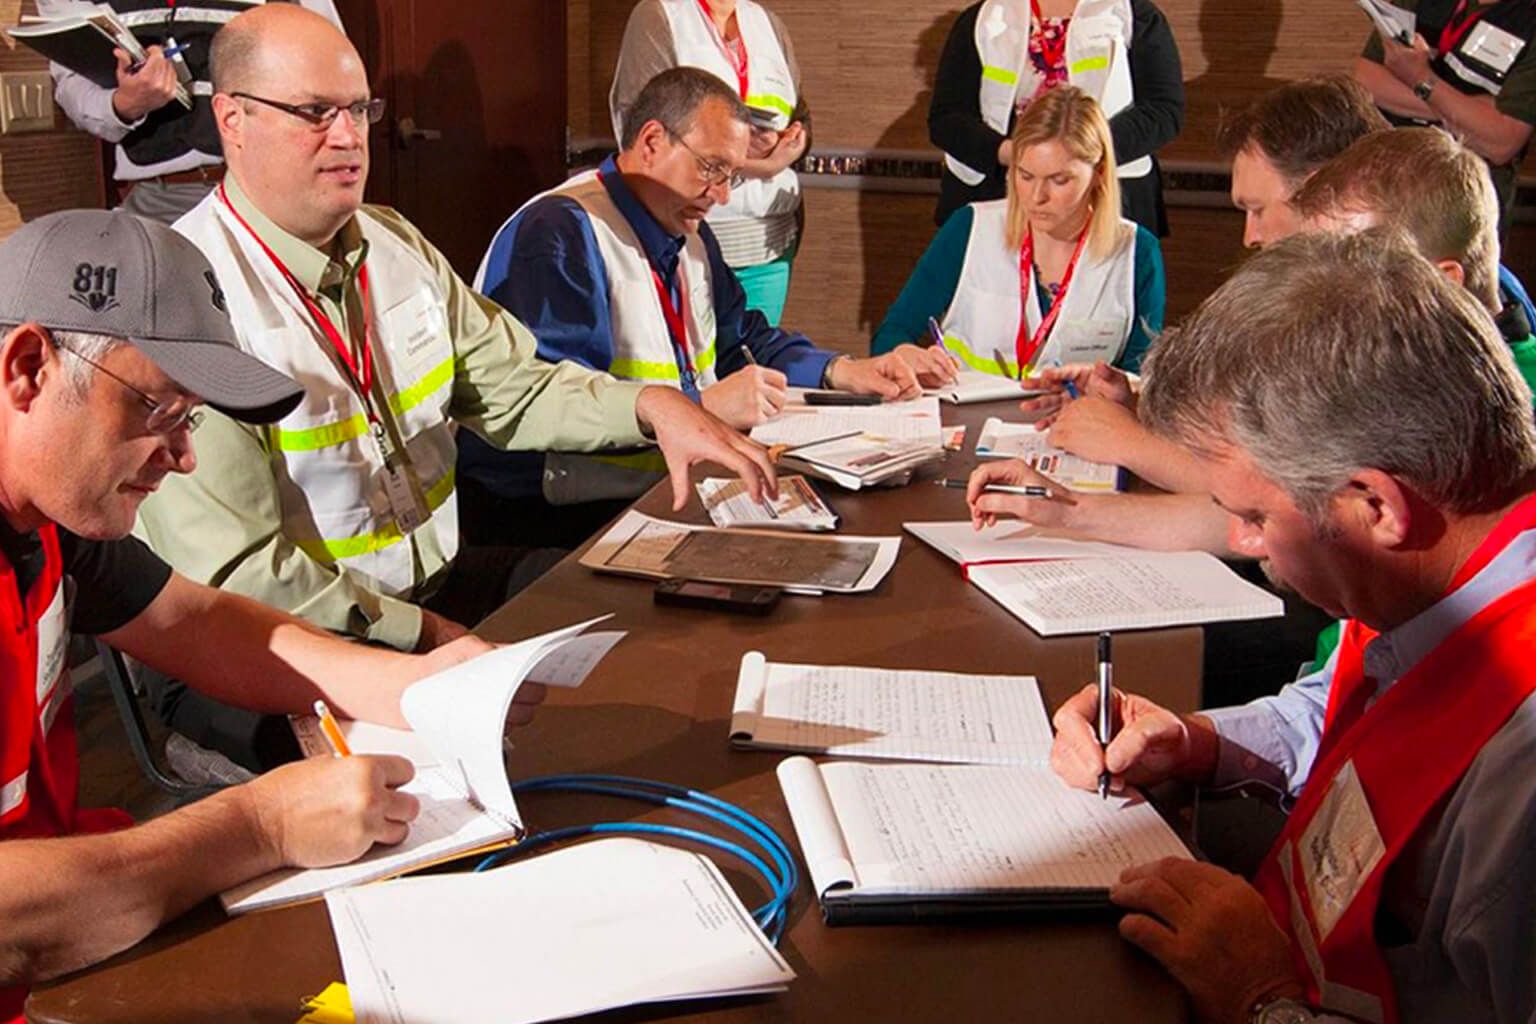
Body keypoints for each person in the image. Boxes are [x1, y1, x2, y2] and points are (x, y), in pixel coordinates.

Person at [135, 6, 774, 772]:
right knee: (452, 775)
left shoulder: (394, 242)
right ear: (232, 119)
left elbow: (514, 388)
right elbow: (243, 579)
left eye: (358, 110)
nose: (348, 138)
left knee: (651, 622)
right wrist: (425, 635)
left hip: (421, 590)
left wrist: (652, 406)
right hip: (270, 644)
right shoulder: (183, 297)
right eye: (314, 113)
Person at [0, 209, 544, 1020]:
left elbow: (192, 620)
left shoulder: (49, 514)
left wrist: (417, 682)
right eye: (158, 411)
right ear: (29, 366)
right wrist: (260, 826)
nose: (183, 458)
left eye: (192, 421)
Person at [1048, 229, 1536, 1024]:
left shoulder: (1523, 783)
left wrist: (1262, 1000)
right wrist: (1199, 742)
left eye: (1251, 515)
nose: (1240, 542)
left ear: (1374, 504)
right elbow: (1357, 718)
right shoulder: (1442, 576)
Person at [969, 126, 1536, 554]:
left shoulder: (1497, 427)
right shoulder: (1402, 362)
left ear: (1439, 285)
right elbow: (1263, 516)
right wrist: (1069, 513)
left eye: (1344, 283)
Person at [460, 67, 952, 523]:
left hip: (655, 490)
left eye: (732, 176)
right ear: (652, 141)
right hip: (556, 512)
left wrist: (843, 370)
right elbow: (555, 405)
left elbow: (746, 337)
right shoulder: (560, 232)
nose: (721, 196)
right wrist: (705, 406)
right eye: (711, 168)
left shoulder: (687, 228)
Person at [873, 84, 1164, 377]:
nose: (1036, 196)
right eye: (1024, 175)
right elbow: (891, 336)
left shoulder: (1137, 251)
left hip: (1077, 420)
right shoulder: (970, 227)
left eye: (1059, 180)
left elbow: (1140, 381)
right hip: (968, 419)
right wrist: (903, 354)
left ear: (1098, 174)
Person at [50, 0, 342, 225]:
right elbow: (71, 85)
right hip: (157, 200)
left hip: (268, 191)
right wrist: (127, 103)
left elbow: (334, 66)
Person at [611, 0, 808, 325]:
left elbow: (800, 115)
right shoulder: (660, 15)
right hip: (692, 235)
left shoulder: (767, 22)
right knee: (693, 366)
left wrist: (790, 144)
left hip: (768, 246)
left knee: (755, 358)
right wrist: (763, 165)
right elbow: (644, 132)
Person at [929, 0, 1184, 234]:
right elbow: (946, 118)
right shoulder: (983, 19)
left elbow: (1163, 111)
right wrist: (1012, 153)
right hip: (994, 195)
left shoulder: (1135, 16)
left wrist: (1084, 151)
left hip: (1108, 197)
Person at [1355, 0, 1536, 238]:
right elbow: (1366, 80)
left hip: (1465, 204)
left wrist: (1420, 77)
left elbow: (1502, 142)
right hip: (1384, 183)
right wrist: (1465, 110)